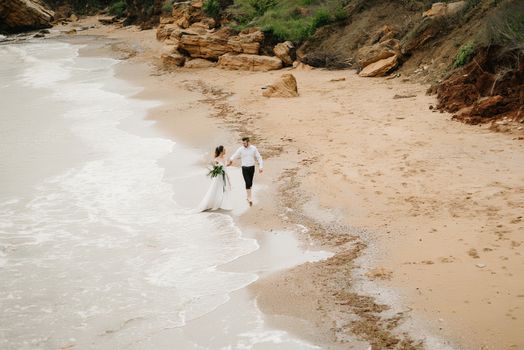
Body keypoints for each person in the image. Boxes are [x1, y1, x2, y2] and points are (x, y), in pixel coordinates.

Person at [195, 145, 232, 212]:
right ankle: (212, 203)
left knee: (224, 189)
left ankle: (222, 203)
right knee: (217, 189)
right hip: (219, 177)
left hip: (225, 176)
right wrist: (219, 171)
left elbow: (224, 166)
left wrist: (229, 164)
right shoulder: (216, 159)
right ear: (221, 151)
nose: (225, 151)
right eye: (224, 150)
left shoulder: (225, 158)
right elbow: (216, 169)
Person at [228, 137, 263, 207]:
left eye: (245, 143)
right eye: (243, 143)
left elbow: (259, 157)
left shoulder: (253, 148)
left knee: (250, 183)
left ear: (248, 142)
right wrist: (231, 159)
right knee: (248, 182)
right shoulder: (241, 149)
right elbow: (235, 154)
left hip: (252, 167)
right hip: (244, 168)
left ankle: (248, 196)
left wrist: (261, 167)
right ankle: (249, 198)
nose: (243, 144)